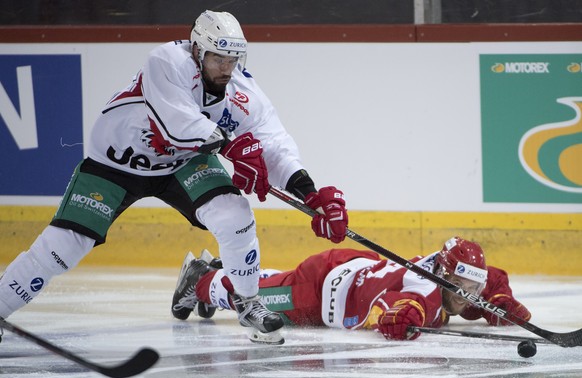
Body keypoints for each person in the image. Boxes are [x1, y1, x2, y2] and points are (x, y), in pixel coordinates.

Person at [0, 10, 348, 345]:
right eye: (218, 59)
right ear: (198, 49)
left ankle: (247, 301)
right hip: (114, 166)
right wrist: (233, 148)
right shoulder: (166, 61)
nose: (227, 68)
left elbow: (273, 145)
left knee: (234, 215)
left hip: (182, 165)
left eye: (233, 60)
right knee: (63, 247)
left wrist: (309, 192)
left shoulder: (243, 92)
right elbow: (177, 123)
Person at [176, 236, 532, 341]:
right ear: (444, 273)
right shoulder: (423, 290)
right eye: (462, 286)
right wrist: (400, 318)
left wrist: (499, 301)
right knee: (252, 298)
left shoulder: (453, 279)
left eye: (475, 287)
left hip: (352, 268)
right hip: (317, 293)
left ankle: (219, 268)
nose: (468, 294)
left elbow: (493, 278)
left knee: (273, 282)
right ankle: (199, 278)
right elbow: (399, 305)